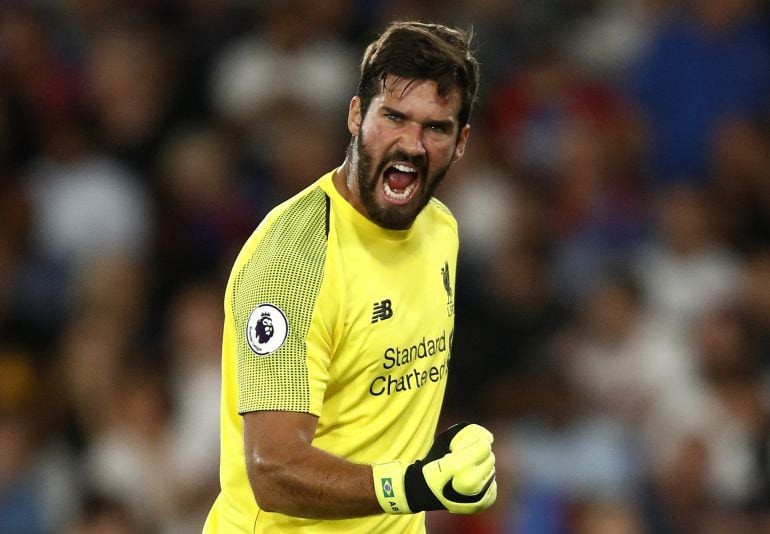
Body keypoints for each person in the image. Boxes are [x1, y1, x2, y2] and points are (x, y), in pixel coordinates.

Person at [203, 21, 497, 533]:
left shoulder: (440, 230)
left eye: (436, 127)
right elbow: (272, 471)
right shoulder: (293, 262)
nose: (411, 144)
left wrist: (439, 460)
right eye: (394, 117)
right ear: (356, 115)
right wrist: (415, 485)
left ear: (461, 140)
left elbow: (377, 398)